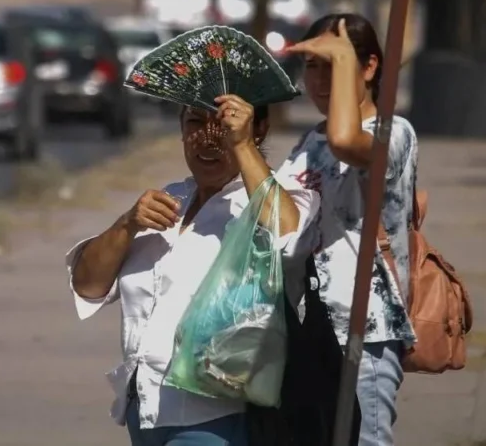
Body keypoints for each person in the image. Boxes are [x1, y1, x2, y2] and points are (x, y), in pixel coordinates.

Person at [65, 96, 316, 446]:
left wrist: (241, 144)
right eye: (195, 122)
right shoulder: (169, 200)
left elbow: (290, 236)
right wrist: (126, 225)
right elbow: (88, 285)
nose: (209, 137)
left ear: (259, 129)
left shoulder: (275, 198)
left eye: (224, 124)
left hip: (218, 416)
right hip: (147, 412)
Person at [280, 13, 418, 446]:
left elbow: (347, 143)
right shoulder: (309, 142)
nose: (320, 80)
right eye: (314, 66)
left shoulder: (394, 134)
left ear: (370, 67)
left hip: (365, 326)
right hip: (307, 326)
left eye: (334, 65)